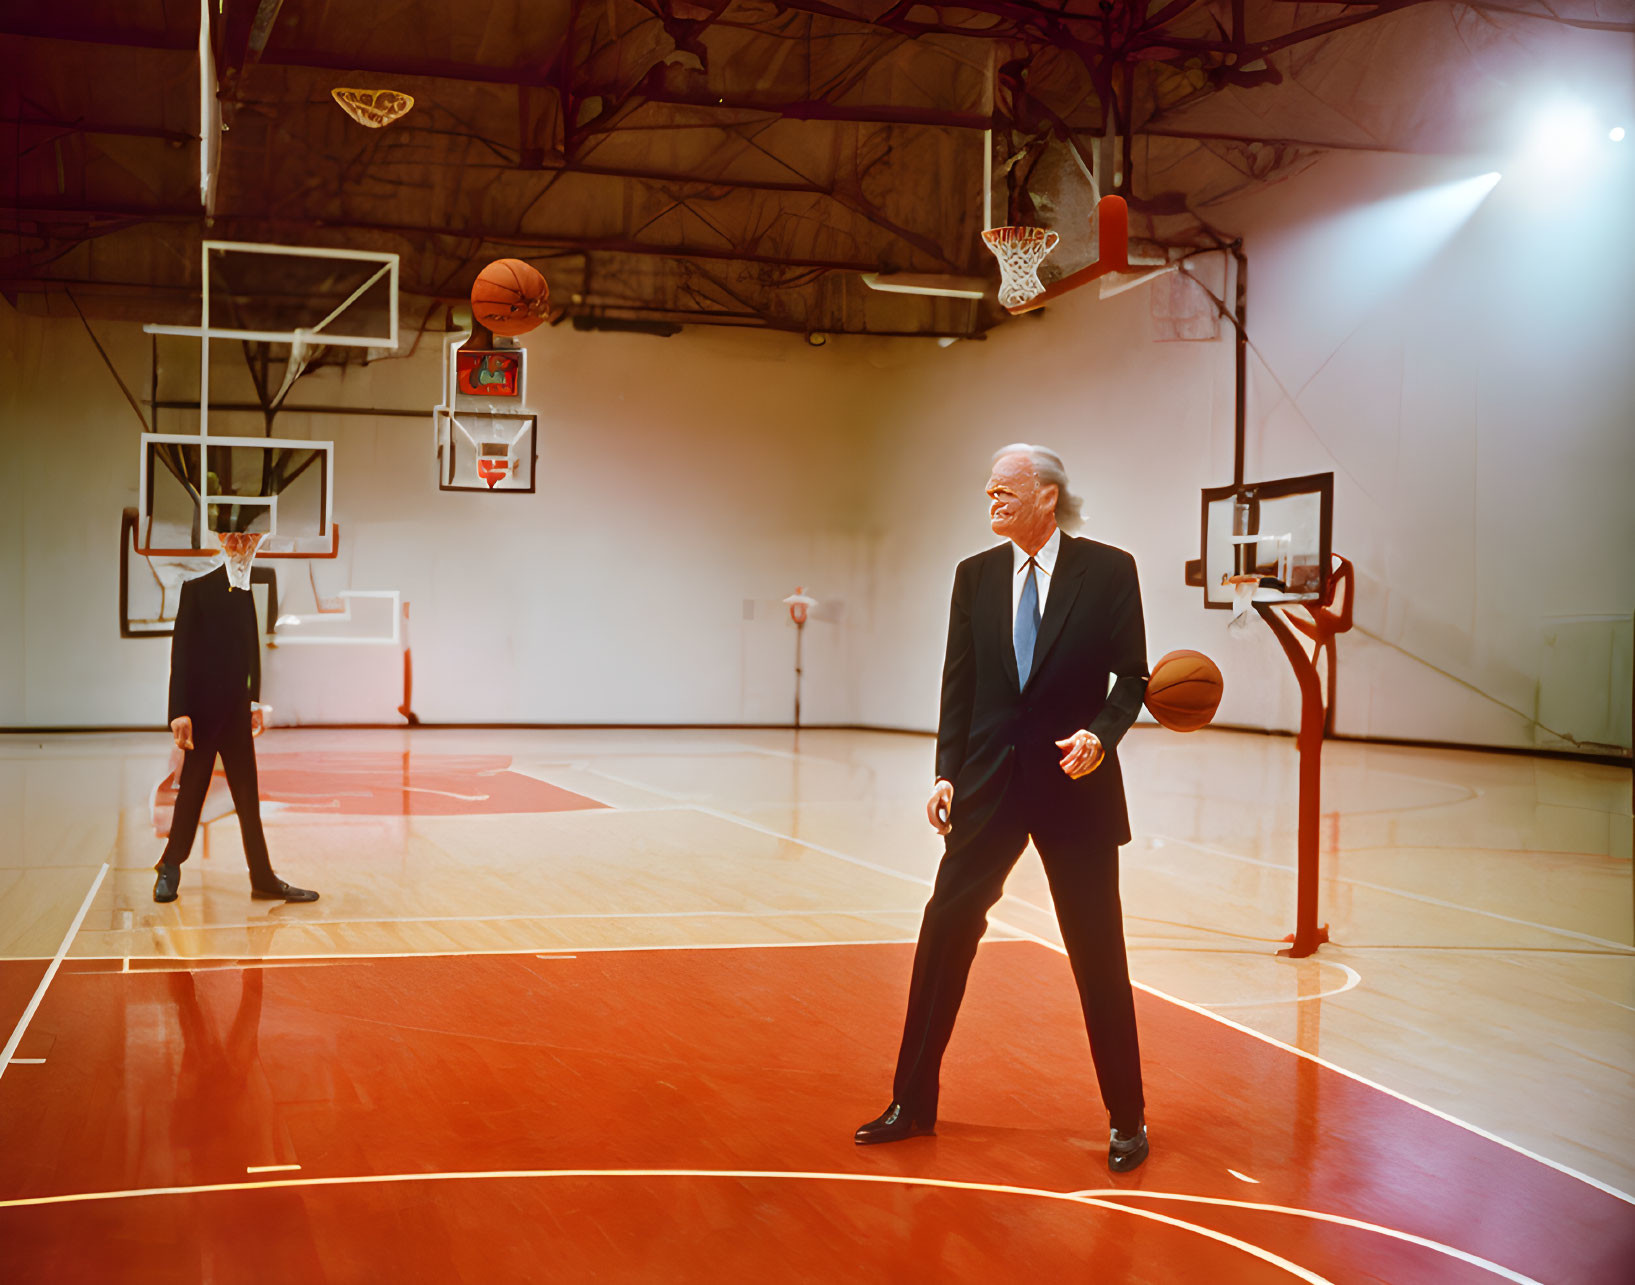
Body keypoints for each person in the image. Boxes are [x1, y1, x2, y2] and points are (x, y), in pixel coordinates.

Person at [855, 444, 1151, 1172]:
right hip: (986, 787)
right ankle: (910, 1100)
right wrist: (944, 772)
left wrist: (1101, 736)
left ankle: (1126, 1118)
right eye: (986, 490)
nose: (990, 499)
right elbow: (958, 682)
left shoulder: (1109, 570)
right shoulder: (974, 576)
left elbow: (1133, 676)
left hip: (1072, 786)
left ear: (1045, 496)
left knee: (1097, 954)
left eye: (1003, 490)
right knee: (942, 932)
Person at [153, 531, 318, 905]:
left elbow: (250, 650)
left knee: (248, 799)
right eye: (236, 539)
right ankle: (170, 866)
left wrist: (254, 700)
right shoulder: (196, 589)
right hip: (201, 714)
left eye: (250, 540)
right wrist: (178, 711)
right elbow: (181, 653)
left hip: (236, 713)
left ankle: (262, 878)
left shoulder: (244, 592)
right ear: (224, 542)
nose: (243, 546)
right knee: (192, 794)